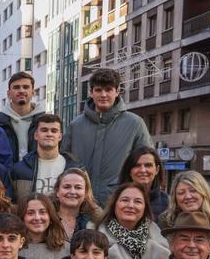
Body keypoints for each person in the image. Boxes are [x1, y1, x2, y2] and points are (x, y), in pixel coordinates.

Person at [62, 68, 151, 206]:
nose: (103, 94)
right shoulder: (75, 125)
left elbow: (146, 166)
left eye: (108, 89)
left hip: (119, 204)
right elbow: (65, 163)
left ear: (117, 91)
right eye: (98, 90)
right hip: (81, 205)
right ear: (91, 92)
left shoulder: (135, 124)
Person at [98, 183, 170, 259]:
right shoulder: (96, 240)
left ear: (145, 208)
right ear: (114, 204)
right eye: (125, 200)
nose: (131, 205)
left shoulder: (161, 244)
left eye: (138, 201)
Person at [10, 114, 79, 202]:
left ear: (60, 136)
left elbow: (86, 202)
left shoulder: (75, 168)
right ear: (36, 135)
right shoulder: (19, 170)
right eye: (44, 130)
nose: (49, 134)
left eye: (54, 131)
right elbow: (13, 204)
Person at [0, 72, 48, 161]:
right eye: (16, 87)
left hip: (38, 173)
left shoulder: (45, 122)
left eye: (26, 87)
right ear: (8, 93)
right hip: (7, 174)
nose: (21, 91)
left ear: (33, 92)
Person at [18, 194, 69, 259]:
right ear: (22, 218)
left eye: (42, 212)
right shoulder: (12, 248)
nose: (37, 218)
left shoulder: (66, 249)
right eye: (30, 213)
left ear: (51, 217)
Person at [53, 168, 103, 240]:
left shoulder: (96, 223)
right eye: (67, 187)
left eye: (78, 187)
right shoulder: (44, 219)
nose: (72, 192)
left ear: (85, 194)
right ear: (57, 192)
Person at [120, 146, 168, 219]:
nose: (142, 170)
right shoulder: (116, 199)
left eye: (148, 165)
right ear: (129, 171)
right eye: (137, 165)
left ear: (157, 170)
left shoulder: (168, 202)